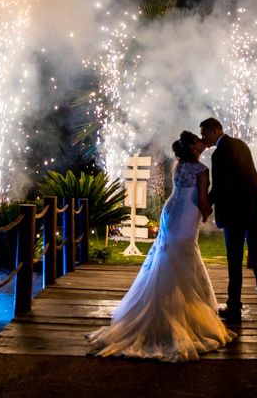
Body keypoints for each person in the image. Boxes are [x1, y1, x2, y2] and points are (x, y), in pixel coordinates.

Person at [87, 131, 236, 362]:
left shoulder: (179, 165)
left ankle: (163, 303)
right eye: (198, 140)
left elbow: (182, 192)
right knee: (183, 256)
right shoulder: (201, 170)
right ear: (194, 147)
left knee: (169, 255)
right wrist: (208, 213)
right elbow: (204, 200)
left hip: (172, 212)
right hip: (187, 214)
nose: (201, 141)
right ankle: (179, 313)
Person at [199, 117, 257, 323]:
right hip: (252, 209)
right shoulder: (240, 144)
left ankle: (234, 306)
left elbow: (220, 187)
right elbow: (252, 175)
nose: (204, 138)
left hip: (233, 214)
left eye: (205, 133)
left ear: (215, 131)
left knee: (234, 259)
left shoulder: (219, 153)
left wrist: (205, 205)